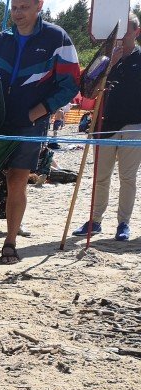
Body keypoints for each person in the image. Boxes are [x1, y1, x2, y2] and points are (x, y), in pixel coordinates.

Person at [0, 0, 78, 263]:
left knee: (17, 182)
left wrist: (40, 111)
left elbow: (71, 83)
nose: (18, 13)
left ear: (39, 5)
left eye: (24, 7)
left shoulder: (57, 38)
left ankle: (10, 243)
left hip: (30, 124)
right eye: (15, 7)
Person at [73, 13, 140, 242]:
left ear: (136, 32)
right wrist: (109, 64)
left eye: (126, 33)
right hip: (103, 123)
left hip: (134, 125)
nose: (121, 38)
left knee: (127, 177)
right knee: (101, 177)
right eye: (119, 34)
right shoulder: (104, 57)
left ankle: (123, 223)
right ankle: (95, 220)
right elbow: (87, 88)